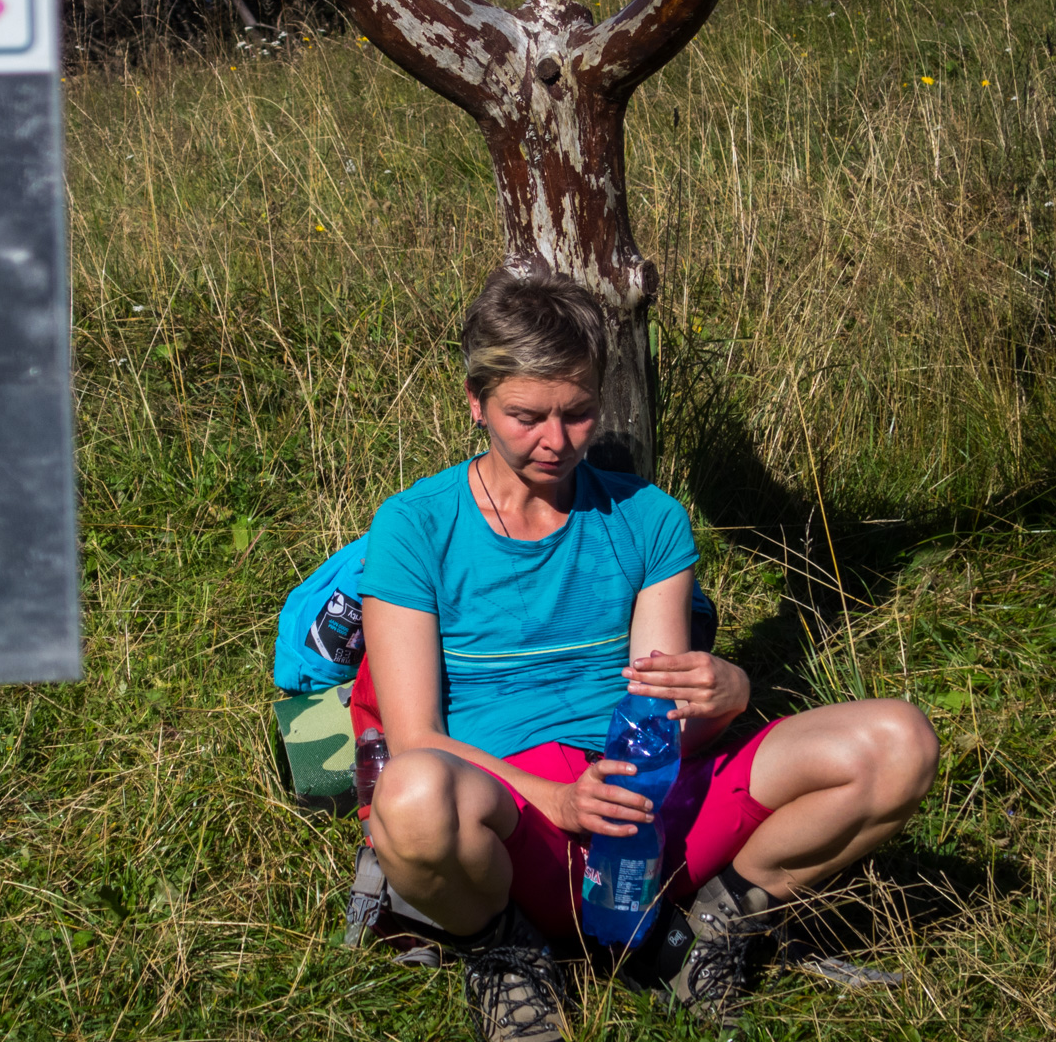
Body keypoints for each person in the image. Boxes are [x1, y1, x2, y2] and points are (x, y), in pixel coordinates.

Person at [358, 268, 939, 1041]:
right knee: (411, 793)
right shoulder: (414, 528)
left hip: (640, 809)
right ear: (476, 402)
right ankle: (505, 950)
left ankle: (711, 931)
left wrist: (729, 688)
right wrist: (557, 800)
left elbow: (659, 708)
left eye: (579, 413)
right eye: (527, 416)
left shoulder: (648, 519)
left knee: (899, 743)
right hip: (511, 818)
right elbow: (417, 737)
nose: (556, 442)